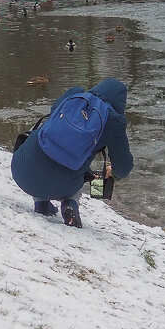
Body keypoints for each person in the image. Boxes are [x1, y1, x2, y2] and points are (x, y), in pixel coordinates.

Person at [10, 78, 135, 228]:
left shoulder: (74, 94)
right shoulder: (113, 121)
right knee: (80, 170)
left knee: (45, 146)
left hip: (21, 171)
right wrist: (113, 172)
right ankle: (70, 204)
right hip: (62, 185)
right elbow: (124, 167)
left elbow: (53, 113)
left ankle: (41, 204)